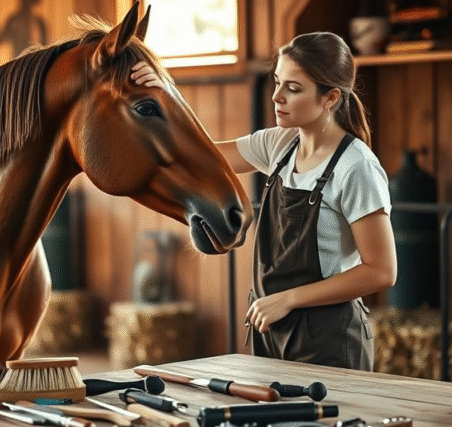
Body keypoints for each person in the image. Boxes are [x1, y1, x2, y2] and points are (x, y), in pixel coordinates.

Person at [130, 32, 396, 371]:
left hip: (329, 340)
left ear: (330, 97)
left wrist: (288, 300)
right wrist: (163, 94)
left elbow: (381, 271)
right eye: (277, 82)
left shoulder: (356, 167)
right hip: (270, 330)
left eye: (293, 88)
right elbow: (197, 154)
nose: (276, 96)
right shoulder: (278, 145)